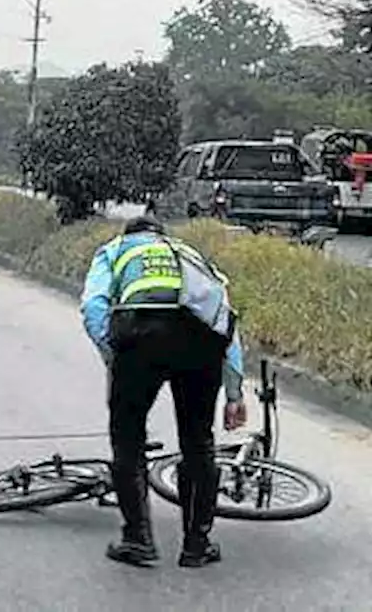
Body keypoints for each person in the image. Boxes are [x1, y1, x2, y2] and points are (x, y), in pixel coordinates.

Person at [80, 216, 248, 569]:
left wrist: (115, 358)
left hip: (142, 336)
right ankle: (196, 546)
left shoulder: (114, 250)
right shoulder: (190, 255)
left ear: (129, 234)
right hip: (202, 341)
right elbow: (224, 318)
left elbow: (93, 306)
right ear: (161, 235)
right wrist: (235, 393)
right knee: (199, 441)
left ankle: (138, 540)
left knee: (128, 438)